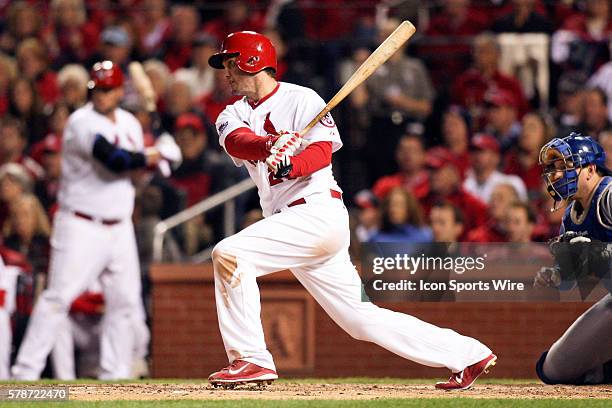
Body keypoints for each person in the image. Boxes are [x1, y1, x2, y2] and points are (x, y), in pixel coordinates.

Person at [206, 30, 496, 390]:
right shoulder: (231, 113)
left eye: (231, 63)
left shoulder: (302, 99)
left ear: (251, 62)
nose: (226, 72)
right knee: (360, 320)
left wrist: (290, 164)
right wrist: (272, 144)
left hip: (316, 213)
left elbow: (321, 153)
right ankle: (467, 353)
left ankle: (251, 358)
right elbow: (238, 142)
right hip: (291, 223)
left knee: (230, 254)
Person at [11, 60, 181, 380]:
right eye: (96, 90)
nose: (100, 96)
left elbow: (134, 172)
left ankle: (114, 375)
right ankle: (24, 374)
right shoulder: (81, 122)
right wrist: (158, 154)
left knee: (125, 301)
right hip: (81, 225)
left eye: (106, 90)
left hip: (119, 227)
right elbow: (115, 160)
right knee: (58, 297)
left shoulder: (130, 123)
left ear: (118, 91)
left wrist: (157, 157)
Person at [534, 132, 612, 384]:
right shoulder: (570, 216)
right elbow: (573, 279)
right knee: (553, 370)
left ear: (590, 169)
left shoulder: (609, 195)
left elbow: (598, 255)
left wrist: (602, 252)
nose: (557, 175)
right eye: (554, 168)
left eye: (566, 167)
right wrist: (557, 274)